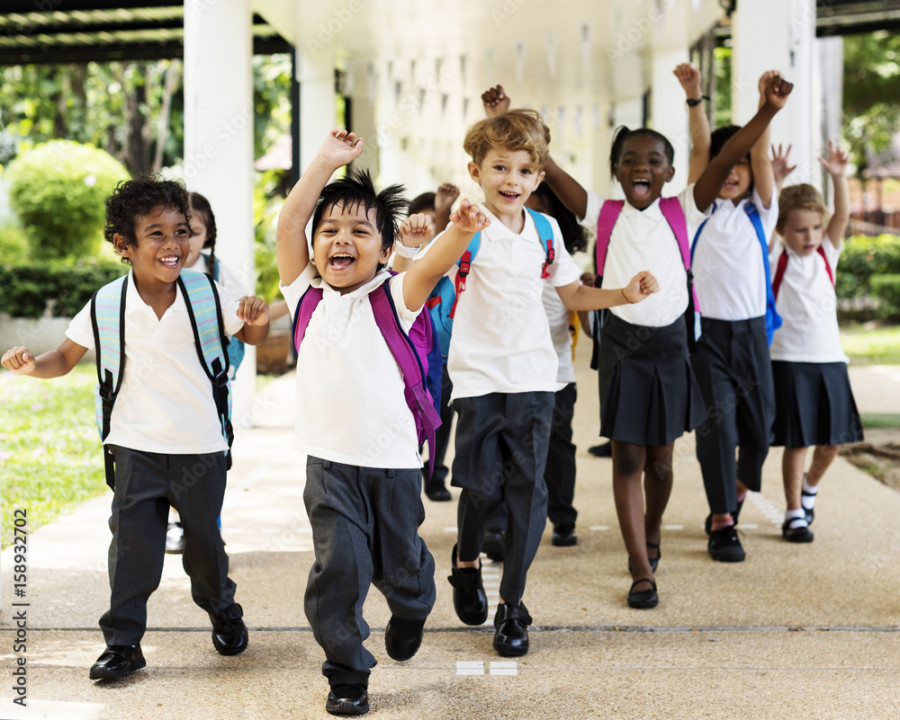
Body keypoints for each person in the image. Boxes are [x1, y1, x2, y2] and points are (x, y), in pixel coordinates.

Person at [497, 69, 792, 607]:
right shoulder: (602, 212)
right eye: (630, 160)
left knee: (661, 462)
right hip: (623, 350)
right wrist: (505, 121)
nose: (641, 167)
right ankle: (640, 566)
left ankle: (652, 530)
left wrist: (767, 112)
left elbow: (726, 158)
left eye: (654, 160)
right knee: (628, 459)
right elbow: (550, 169)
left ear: (671, 172)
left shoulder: (685, 207)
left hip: (672, 349)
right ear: (615, 171)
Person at [1, 176, 270, 681]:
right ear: (124, 245)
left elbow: (251, 335)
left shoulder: (207, 291)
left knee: (205, 552)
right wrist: (29, 366)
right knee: (132, 550)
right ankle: (123, 644)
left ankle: (221, 609)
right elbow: (63, 357)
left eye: (182, 231)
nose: (174, 245)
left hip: (200, 449)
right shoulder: (107, 302)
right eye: (157, 234)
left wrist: (255, 317)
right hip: (135, 448)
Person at [276, 128, 490, 717]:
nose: (341, 241)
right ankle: (347, 671)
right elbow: (288, 224)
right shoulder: (304, 297)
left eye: (359, 231)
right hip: (329, 464)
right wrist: (325, 162)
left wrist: (461, 230)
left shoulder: (396, 295)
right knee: (338, 567)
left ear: (383, 245)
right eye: (331, 232)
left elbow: (432, 266)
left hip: (393, 464)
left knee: (401, 565)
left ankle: (414, 602)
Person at [443, 106, 658, 656]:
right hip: (477, 379)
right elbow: (418, 277)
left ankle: (512, 604)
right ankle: (466, 562)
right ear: (476, 171)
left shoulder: (544, 231)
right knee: (479, 487)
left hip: (536, 378)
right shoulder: (466, 226)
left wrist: (621, 295)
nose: (510, 180)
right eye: (499, 168)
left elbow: (572, 295)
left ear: (539, 177)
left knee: (527, 493)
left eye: (522, 170)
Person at [687, 71, 793, 563]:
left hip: (752, 336)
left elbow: (755, 154)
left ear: (754, 172)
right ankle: (723, 520)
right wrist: (695, 99)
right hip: (708, 338)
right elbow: (705, 148)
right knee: (719, 429)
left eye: (743, 164)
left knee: (759, 430)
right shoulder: (697, 212)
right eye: (722, 163)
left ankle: (736, 492)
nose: (731, 171)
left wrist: (764, 106)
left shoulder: (761, 213)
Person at [770, 141, 862, 542]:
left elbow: (841, 215)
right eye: (800, 229)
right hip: (789, 359)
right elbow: (768, 213)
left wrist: (838, 178)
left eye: (815, 228)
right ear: (783, 230)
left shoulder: (827, 254)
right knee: (798, 440)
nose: (809, 236)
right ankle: (793, 512)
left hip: (830, 360)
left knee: (833, 442)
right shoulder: (777, 256)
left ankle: (810, 489)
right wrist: (773, 180)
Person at [399, 183, 461, 502]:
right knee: (415, 411)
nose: (428, 233)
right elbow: (422, 262)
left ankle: (435, 474)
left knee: (443, 414)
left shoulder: (453, 260)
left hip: (446, 353)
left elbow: (440, 254)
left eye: (434, 226)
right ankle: (409, 466)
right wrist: (439, 211)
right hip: (413, 354)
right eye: (421, 224)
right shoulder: (405, 261)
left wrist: (443, 213)